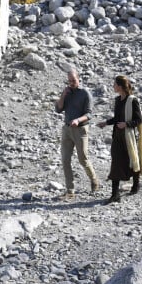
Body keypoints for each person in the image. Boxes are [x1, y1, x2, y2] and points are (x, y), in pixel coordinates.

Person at [97, 75, 142, 204]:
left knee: (131, 160)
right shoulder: (118, 100)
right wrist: (106, 123)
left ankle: (136, 185)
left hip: (128, 136)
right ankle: (115, 194)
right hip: (118, 136)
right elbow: (117, 118)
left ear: (120, 86)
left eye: (114, 85)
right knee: (116, 162)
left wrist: (126, 124)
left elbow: (138, 120)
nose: (113, 87)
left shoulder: (132, 100)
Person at [55, 68, 100, 200]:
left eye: (73, 80)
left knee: (83, 159)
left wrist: (78, 120)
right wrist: (63, 94)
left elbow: (89, 114)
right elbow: (58, 109)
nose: (71, 83)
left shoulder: (85, 93)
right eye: (69, 81)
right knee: (65, 159)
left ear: (78, 79)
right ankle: (70, 191)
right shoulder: (67, 92)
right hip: (67, 129)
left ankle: (94, 180)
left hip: (80, 130)